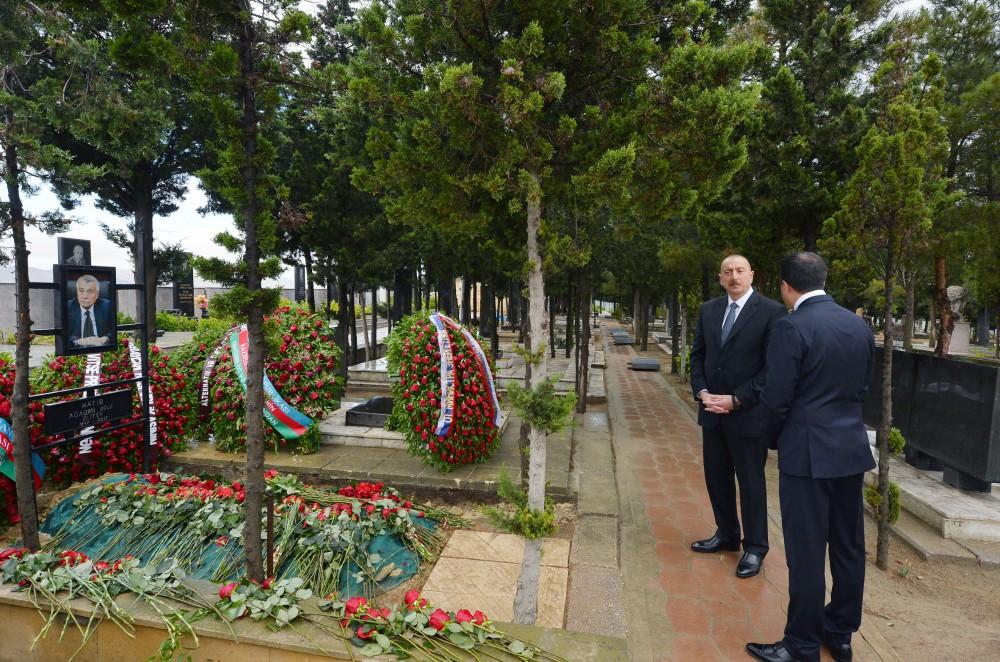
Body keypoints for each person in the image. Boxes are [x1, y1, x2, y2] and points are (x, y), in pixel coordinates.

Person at [746, 252, 876, 662]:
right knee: (848, 547)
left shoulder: (792, 326)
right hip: (850, 450)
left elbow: (776, 397)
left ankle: (801, 645)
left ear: (786, 286)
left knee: (805, 552)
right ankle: (839, 632)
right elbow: (862, 387)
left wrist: (768, 439)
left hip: (806, 454)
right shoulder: (858, 326)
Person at [689, 254, 786, 578]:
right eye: (728, 271)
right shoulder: (709, 310)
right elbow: (698, 356)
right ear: (720, 278)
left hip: (748, 416)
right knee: (716, 479)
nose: (734, 276)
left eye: (740, 271)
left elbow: (772, 368)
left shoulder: (771, 312)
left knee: (751, 484)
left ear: (751, 275)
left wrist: (736, 399)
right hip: (712, 413)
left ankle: (755, 548)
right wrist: (702, 393)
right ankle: (727, 534)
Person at [67, 274, 113, 348]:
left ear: (97, 295)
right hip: (76, 351)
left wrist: (105, 339)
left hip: (100, 349)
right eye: (81, 291)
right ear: (77, 292)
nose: (85, 296)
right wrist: (78, 341)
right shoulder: (68, 307)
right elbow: (63, 336)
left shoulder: (107, 306)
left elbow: (113, 332)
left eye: (90, 291)